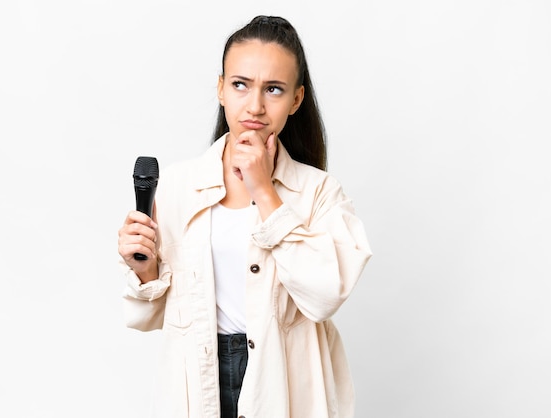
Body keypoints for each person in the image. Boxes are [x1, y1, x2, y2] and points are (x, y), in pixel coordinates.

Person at [117, 15, 372, 418]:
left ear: (296, 99)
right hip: (200, 377)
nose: (254, 106)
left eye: (273, 89)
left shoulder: (319, 192)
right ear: (220, 89)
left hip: (283, 382)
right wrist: (145, 271)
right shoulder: (178, 186)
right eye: (240, 84)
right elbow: (156, 317)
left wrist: (264, 192)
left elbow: (324, 296)